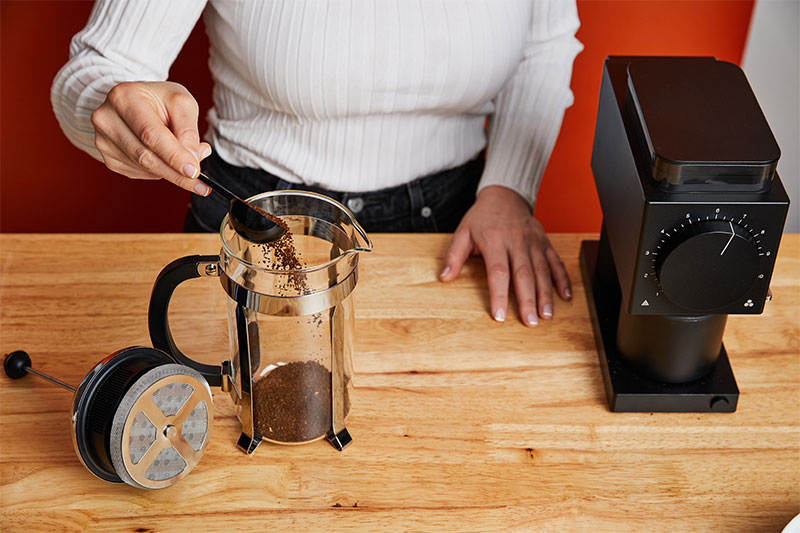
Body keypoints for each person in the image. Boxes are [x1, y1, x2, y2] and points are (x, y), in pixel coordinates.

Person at [52, 0, 582, 327]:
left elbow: (546, 43)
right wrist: (113, 108)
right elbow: (98, 70)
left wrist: (510, 188)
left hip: (458, 230)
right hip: (251, 221)